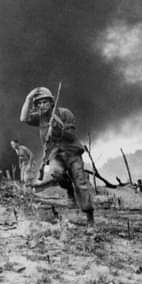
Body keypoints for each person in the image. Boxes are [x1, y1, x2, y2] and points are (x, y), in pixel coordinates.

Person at [20, 87, 94, 225]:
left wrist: (57, 128)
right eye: (38, 103)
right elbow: (23, 118)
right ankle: (69, 189)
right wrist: (28, 98)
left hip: (72, 153)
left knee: (81, 183)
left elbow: (71, 136)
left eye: (44, 102)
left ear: (51, 102)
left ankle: (89, 216)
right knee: (55, 173)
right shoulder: (40, 118)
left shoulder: (65, 113)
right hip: (55, 155)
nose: (42, 105)